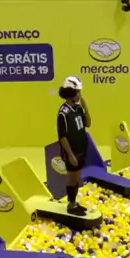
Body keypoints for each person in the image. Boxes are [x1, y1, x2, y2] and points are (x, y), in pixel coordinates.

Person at [57, 76, 91, 216]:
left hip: (81, 149)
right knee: (72, 178)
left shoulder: (78, 109)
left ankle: (74, 203)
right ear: (71, 93)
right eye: (78, 92)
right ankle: (71, 205)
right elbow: (62, 136)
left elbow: (88, 124)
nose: (79, 95)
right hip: (71, 152)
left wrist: (86, 107)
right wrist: (70, 155)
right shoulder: (63, 113)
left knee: (77, 178)